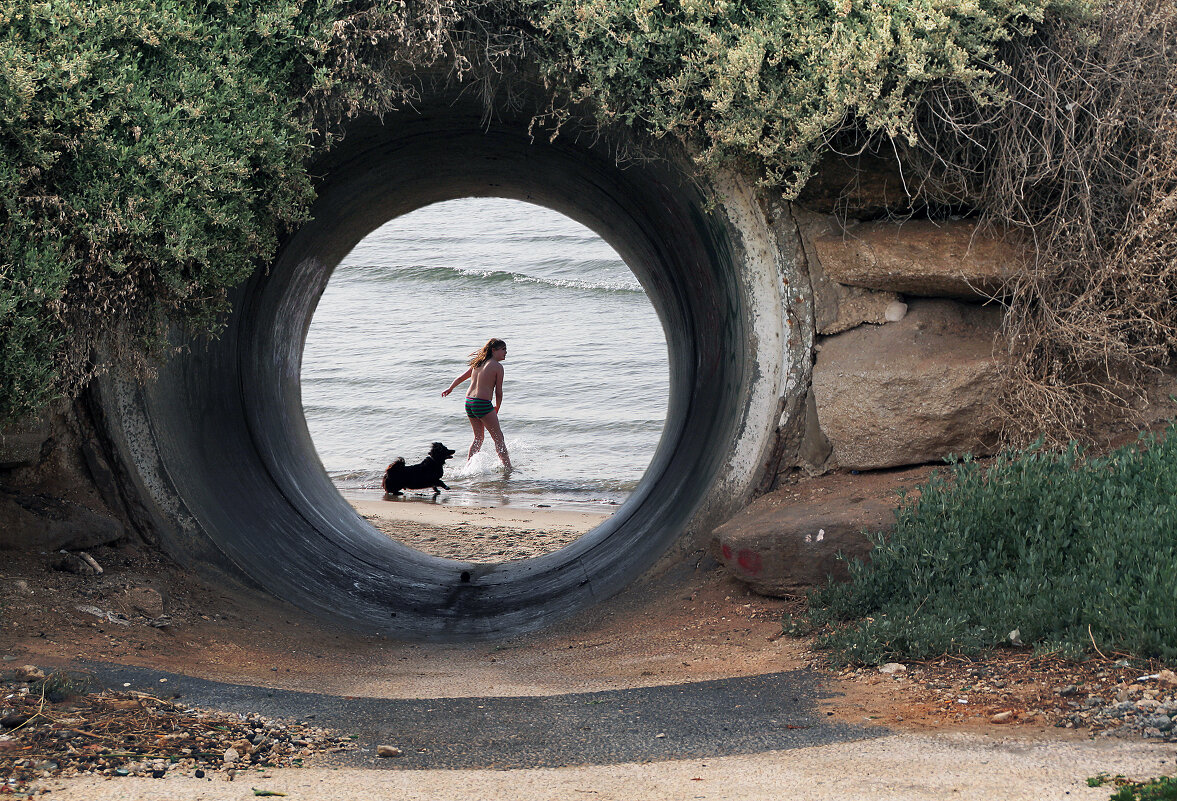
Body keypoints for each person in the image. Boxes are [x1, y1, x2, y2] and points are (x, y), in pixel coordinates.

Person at [441, 338, 512, 470]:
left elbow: (461, 377)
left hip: (469, 402)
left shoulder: (478, 363)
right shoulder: (498, 367)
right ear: (494, 350)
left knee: (478, 438)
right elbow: (499, 392)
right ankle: (508, 468)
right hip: (482, 404)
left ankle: (467, 467)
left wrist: (450, 388)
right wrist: (497, 407)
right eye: (503, 349)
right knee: (499, 438)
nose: (506, 352)